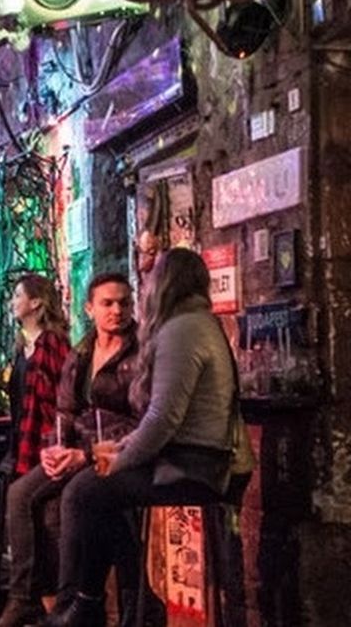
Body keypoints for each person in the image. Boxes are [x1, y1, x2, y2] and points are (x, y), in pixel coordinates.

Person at [44, 250, 245, 627]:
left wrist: (121, 458)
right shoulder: (199, 323)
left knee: (86, 492)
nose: (145, 287)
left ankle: (95, 605)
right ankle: (111, 603)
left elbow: (162, 419)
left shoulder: (181, 329)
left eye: (150, 278)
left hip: (191, 467)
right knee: (96, 492)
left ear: (164, 284)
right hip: (195, 458)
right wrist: (119, 450)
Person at [0, 273, 147, 627]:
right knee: (19, 494)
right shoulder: (82, 350)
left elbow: (146, 419)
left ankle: (72, 605)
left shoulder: (142, 352)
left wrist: (87, 454)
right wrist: (54, 447)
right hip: (75, 448)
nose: (117, 310)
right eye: (107, 303)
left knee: (66, 503)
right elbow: (62, 409)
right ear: (89, 308)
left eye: (124, 302)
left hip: (114, 453)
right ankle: (23, 598)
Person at [8, 275, 72, 479]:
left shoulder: (52, 343)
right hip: (22, 432)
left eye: (18, 295)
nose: (13, 301)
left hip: (44, 438)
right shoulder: (23, 346)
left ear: (35, 302)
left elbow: (60, 398)